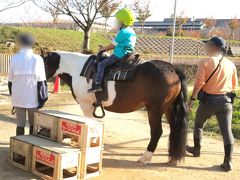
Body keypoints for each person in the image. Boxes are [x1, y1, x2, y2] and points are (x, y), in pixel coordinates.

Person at [187, 36, 238, 171]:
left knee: (198, 125)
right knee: (227, 131)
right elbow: (234, 86)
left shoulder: (205, 61)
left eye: (207, 44)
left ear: (215, 47)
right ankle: (228, 162)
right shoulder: (231, 64)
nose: (205, 47)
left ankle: (196, 150)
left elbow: (199, 83)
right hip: (226, 102)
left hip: (208, 102)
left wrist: (191, 100)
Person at [88, 8, 137, 93]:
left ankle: (97, 85)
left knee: (101, 64)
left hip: (120, 55)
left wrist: (102, 49)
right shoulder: (131, 31)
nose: (116, 21)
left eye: (118, 20)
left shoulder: (123, 32)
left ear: (123, 21)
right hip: (128, 53)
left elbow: (112, 45)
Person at [8, 33, 48, 136]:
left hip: (18, 97)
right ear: (32, 44)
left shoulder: (14, 58)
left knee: (20, 124)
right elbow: (42, 82)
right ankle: (30, 146)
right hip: (32, 98)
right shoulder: (38, 59)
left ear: (20, 44)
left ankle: (19, 147)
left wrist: (13, 95)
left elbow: (10, 81)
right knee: (33, 124)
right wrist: (42, 99)